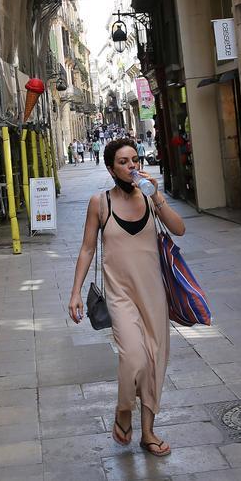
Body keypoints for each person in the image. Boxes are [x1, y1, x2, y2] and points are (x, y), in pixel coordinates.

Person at [67, 138, 185, 457]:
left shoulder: (150, 200)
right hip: (119, 295)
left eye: (135, 159)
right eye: (123, 161)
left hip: (154, 294)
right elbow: (88, 248)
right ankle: (123, 409)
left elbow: (179, 229)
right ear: (110, 168)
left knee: (153, 363)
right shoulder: (100, 203)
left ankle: (147, 432)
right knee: (133, 356)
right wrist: (76, 292)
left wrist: (158, 196)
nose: (132, 165)